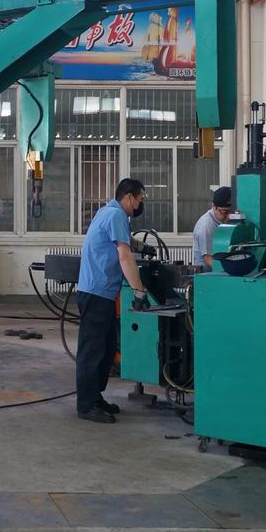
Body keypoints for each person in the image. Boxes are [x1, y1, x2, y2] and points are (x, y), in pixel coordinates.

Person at [75, 178, 151, 424]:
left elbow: (124, 241)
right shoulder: (116, 215)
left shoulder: (109, 212)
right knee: (92, 350)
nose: (140, 205)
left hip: (102, 292)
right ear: (129, 197)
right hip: (96, 292)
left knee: (106, 349)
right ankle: (86, 405)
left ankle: (95, 397)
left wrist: (143, 246)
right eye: (139, 199)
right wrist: (139, 290)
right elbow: (124, 256)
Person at [192, 186, 233, 270]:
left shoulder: (222, 222)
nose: (229, 217)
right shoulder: (206, 226)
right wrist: (226, 271)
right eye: (224, 212)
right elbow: (208, 258)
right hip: (206, 272)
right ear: (214, 206)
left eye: (231, 212)